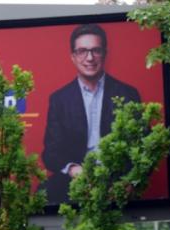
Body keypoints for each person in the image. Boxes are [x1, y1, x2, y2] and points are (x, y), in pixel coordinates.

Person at [42, 23, 141, 204]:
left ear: (105, 54)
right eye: (82, 51)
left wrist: (130, 181)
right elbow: (51, 153)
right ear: (73, 57)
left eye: (96, 50)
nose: (90, 58)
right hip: (75, 181)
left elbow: (141, 147)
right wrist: (72, 169)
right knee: (43, 195)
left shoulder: (127, 94)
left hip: (116, 181)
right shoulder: (60, 99)